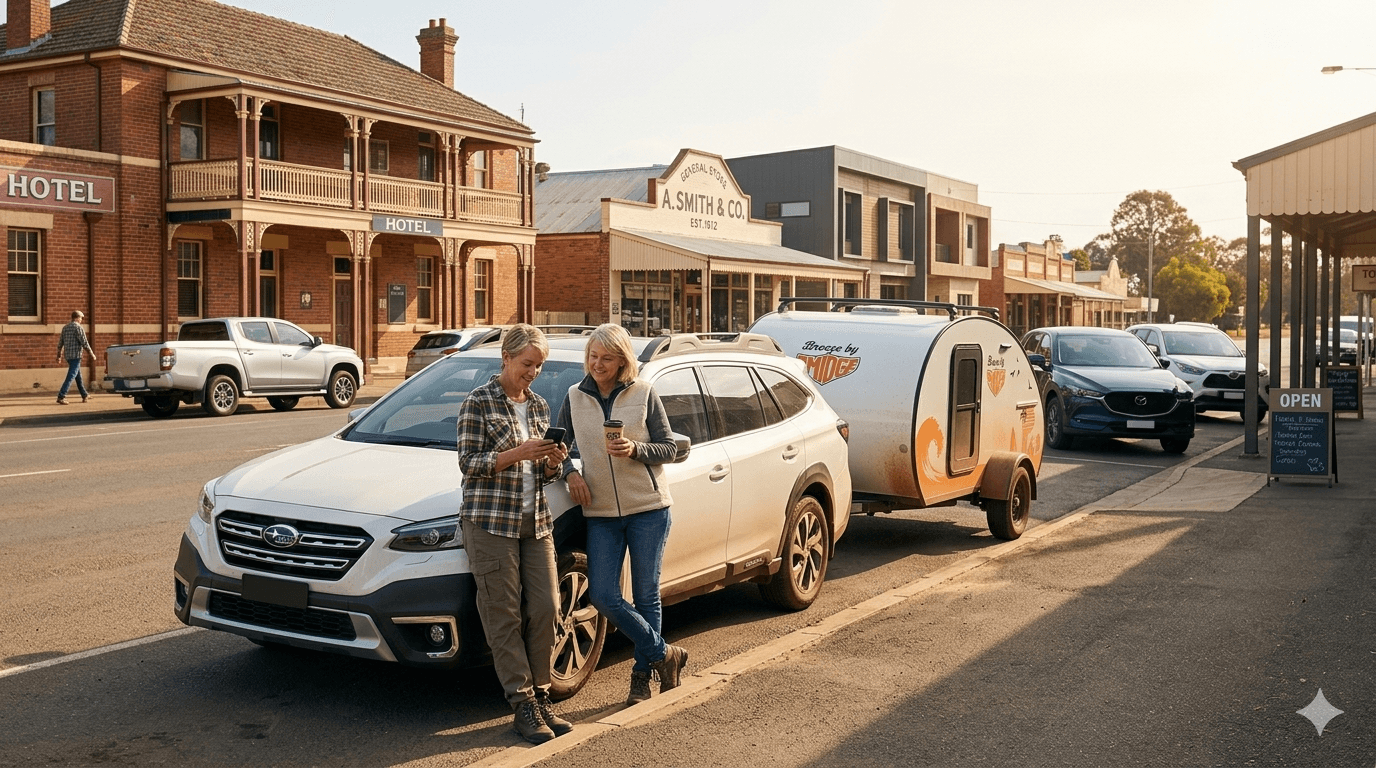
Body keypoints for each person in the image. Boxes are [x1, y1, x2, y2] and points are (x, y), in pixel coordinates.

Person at [555, 323, 687, 706]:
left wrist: (636, 450)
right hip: (601, 513)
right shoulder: (573, 397)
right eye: (593, 357)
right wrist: (570, 472)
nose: (598, 364)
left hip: (648, 508)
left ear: (622, 360)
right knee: (603, 595)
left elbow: (670, 447)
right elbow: (557, 447)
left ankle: (641, 677)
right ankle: (666, 654)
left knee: (647, 596)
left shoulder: (644, 392)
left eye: (607, 358)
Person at [455, 324, 574, 745]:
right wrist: (517, 454)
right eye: (527, 364)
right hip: (489, 522)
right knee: (502, 613)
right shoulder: (478, 402)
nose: (533, 373)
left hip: (535, 521)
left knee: (546, 607)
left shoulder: (540, 405)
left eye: (539, 366)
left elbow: (546, 474)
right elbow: (469, 463)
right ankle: (522, 704)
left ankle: (541, 694)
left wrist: (551, 462)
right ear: (505, 358)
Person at [57, 310, 96, 405]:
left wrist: (59, 356)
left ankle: (84, 394)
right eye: (81, 318)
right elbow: (84, 342)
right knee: (71, 376)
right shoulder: (78, 328)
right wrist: (91, 354)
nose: (81, 320)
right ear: (78, 318)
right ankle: (61, 396)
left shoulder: (65, 328)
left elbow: (60, 343)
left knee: (78, 376)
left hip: (68, 356)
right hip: (76, 356)